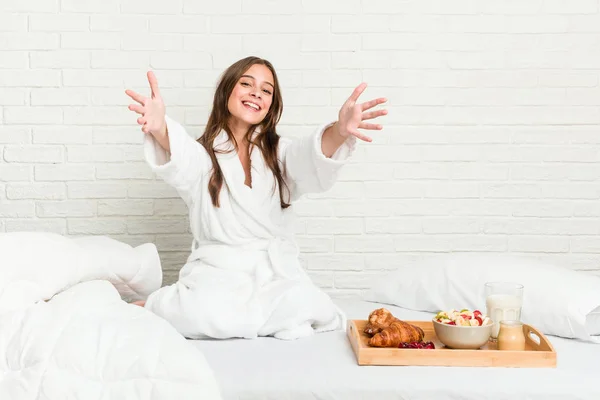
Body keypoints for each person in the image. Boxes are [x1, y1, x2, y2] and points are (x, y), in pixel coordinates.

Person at [125, 56, 387, 340]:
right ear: (227, 91)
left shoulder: (280, 154)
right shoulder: (204, 157)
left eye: (266, 90)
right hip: (219, 273)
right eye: (246, 84)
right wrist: (160, 127)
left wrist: (339, 130)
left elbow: (309, 156)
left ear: (271, 105)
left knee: (311, 304)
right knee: (205, 311)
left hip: (274, 274)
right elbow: (182, 156)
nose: (256, 94)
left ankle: (254, 315)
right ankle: (155, 305)